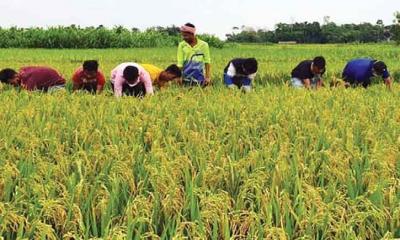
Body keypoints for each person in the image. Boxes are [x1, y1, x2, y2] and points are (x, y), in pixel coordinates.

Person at [0, 66, 65, 92]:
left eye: (11, 83)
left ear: (15, 75)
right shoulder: (23, 71)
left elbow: (30, 93)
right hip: (54, 78)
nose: (13, 86)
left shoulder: (28, 79)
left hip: (57, 85)